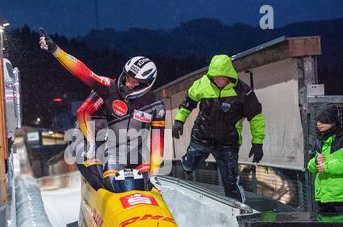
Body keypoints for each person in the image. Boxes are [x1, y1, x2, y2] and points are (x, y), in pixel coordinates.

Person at [39, 30, 165, 192]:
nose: (128, 84)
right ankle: (100, 192)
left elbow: (157, 141)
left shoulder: (156, 106)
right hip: (109, 151)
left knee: (148, 186)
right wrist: (57, 51)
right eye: (127, 78)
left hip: (137, 154)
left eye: (135, 82)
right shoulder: (108, 86)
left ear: (146, 85)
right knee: (104, 178)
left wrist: (154, 173)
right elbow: (84, 72)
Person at [172, 54, 265, 202]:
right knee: (189, 166)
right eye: (213, 76)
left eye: (219, 77)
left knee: (230, 179)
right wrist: (179, 121)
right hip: (201, 137)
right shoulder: (203, 83)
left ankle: (237, 208)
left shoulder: (243, 92)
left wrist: (258, 142)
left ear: (228, 75)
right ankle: (188, 162)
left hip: (227, 143)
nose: (216, 79)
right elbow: (188, 101)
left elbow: (256, 117)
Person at [307, 105, 343, 222]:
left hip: (340, 199)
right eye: (318, 120)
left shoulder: (341, 140)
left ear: (333, 121)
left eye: (323, 120)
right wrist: (316, 162)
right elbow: (310, 166)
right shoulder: (318, 141)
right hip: (322, 198)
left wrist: (327, 167)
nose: (319, 124)